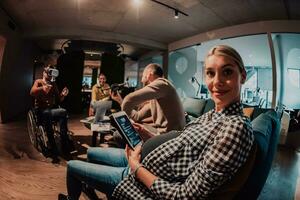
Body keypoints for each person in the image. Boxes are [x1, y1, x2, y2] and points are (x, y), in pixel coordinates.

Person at [58, 45, 254, 200]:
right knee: (92, 152)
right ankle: (95, 188)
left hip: (140, 180)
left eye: (227, 72)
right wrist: (148, 135)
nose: (216, 82)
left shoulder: (235, 127)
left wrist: (137, 168)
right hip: (145, 160)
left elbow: (185, 195)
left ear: (242, 76)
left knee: (73, 166)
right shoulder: (213, 114)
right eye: (210, 73)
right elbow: (177, 139)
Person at [112, 63, 186, 140]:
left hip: (169, 137)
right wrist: (120, 101)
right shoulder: (157, 96)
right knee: (118, 132)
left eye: (143, 76)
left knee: (118, 134)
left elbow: (129, 99)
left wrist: (124, 124)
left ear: (149, 74)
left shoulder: (162, 83)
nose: (141, 80)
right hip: (164, 133)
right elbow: (137, 116)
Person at [30, 65, 71, 163]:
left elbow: (58, 99)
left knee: (63, 112)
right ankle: (53, 147)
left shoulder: (53, 84)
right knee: (47, 113)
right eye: (49, 72)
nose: (50, 75)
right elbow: (31, 92)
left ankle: (64, 144)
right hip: (41, 111)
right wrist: (42, 88)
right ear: (44, 72)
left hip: (51, 110)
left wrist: (63, 95)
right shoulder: (38, 82)